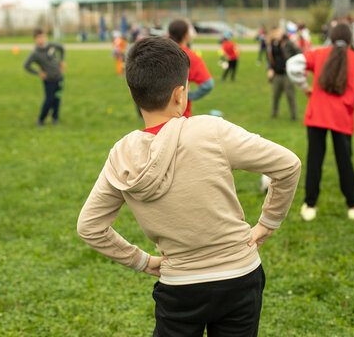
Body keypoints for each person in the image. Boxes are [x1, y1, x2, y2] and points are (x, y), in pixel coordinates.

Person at [78, 36, 301, 336]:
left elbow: (89, 226)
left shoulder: (122, 155)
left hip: (179, 288)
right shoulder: (211, 130)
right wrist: (267, 223)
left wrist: (142, 262)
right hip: (239, 278)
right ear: (181, 95)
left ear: (132, 92)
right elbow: (288, 165)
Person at [286, 23, 354, 221]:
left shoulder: (319, 54)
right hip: (343, 117)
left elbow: (293, 64)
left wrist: (303, 86)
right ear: (351, 40)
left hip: (317, 116)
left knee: (315, 161)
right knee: (345, 162)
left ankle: (309, 205)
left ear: (330, 38)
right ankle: (353, 205)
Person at [168, 19, 214, 117]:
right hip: (180, 113)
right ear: (186, 35)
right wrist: (189, 96)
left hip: (155, 115)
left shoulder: (158, 53)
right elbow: (208, 84)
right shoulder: (189, 57)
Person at [23, 28, 66, 126]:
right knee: (49, 100)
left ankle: (55, 119)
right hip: (49, 80)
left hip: (59, 77)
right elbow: (26, 66)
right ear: (35, 39)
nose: (42, 39)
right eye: (39, 38)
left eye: (43, 37)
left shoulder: (51, 46)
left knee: (57, 99)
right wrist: (38, 72)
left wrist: (62, 61)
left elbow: (62, 48)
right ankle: (41, 120)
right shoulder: (35, 54)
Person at [266, 27, 301, 120]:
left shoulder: (288, 43)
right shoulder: (271, 45)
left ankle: (294, 116)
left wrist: (293, 66)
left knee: (290, 95)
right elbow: (269, 59)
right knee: (275, 95)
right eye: (276, 32)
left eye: (279, 32)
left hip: (287, 74)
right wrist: (269, 69)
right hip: (277, 74)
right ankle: (274, 114)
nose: (278, 34)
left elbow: (299, 53)